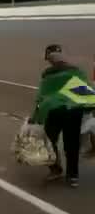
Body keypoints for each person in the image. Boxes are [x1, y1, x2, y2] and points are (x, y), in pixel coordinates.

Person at [31, 44, 95, 187]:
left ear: (48, 58)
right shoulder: (76, 71)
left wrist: (35, 116)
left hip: (55, 112)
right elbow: (87, 90)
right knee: (71, 144)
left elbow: (42, 96)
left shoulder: (47, 74)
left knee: (49, 141)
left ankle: (56, 169)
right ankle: (73, 177)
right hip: (74, 111)